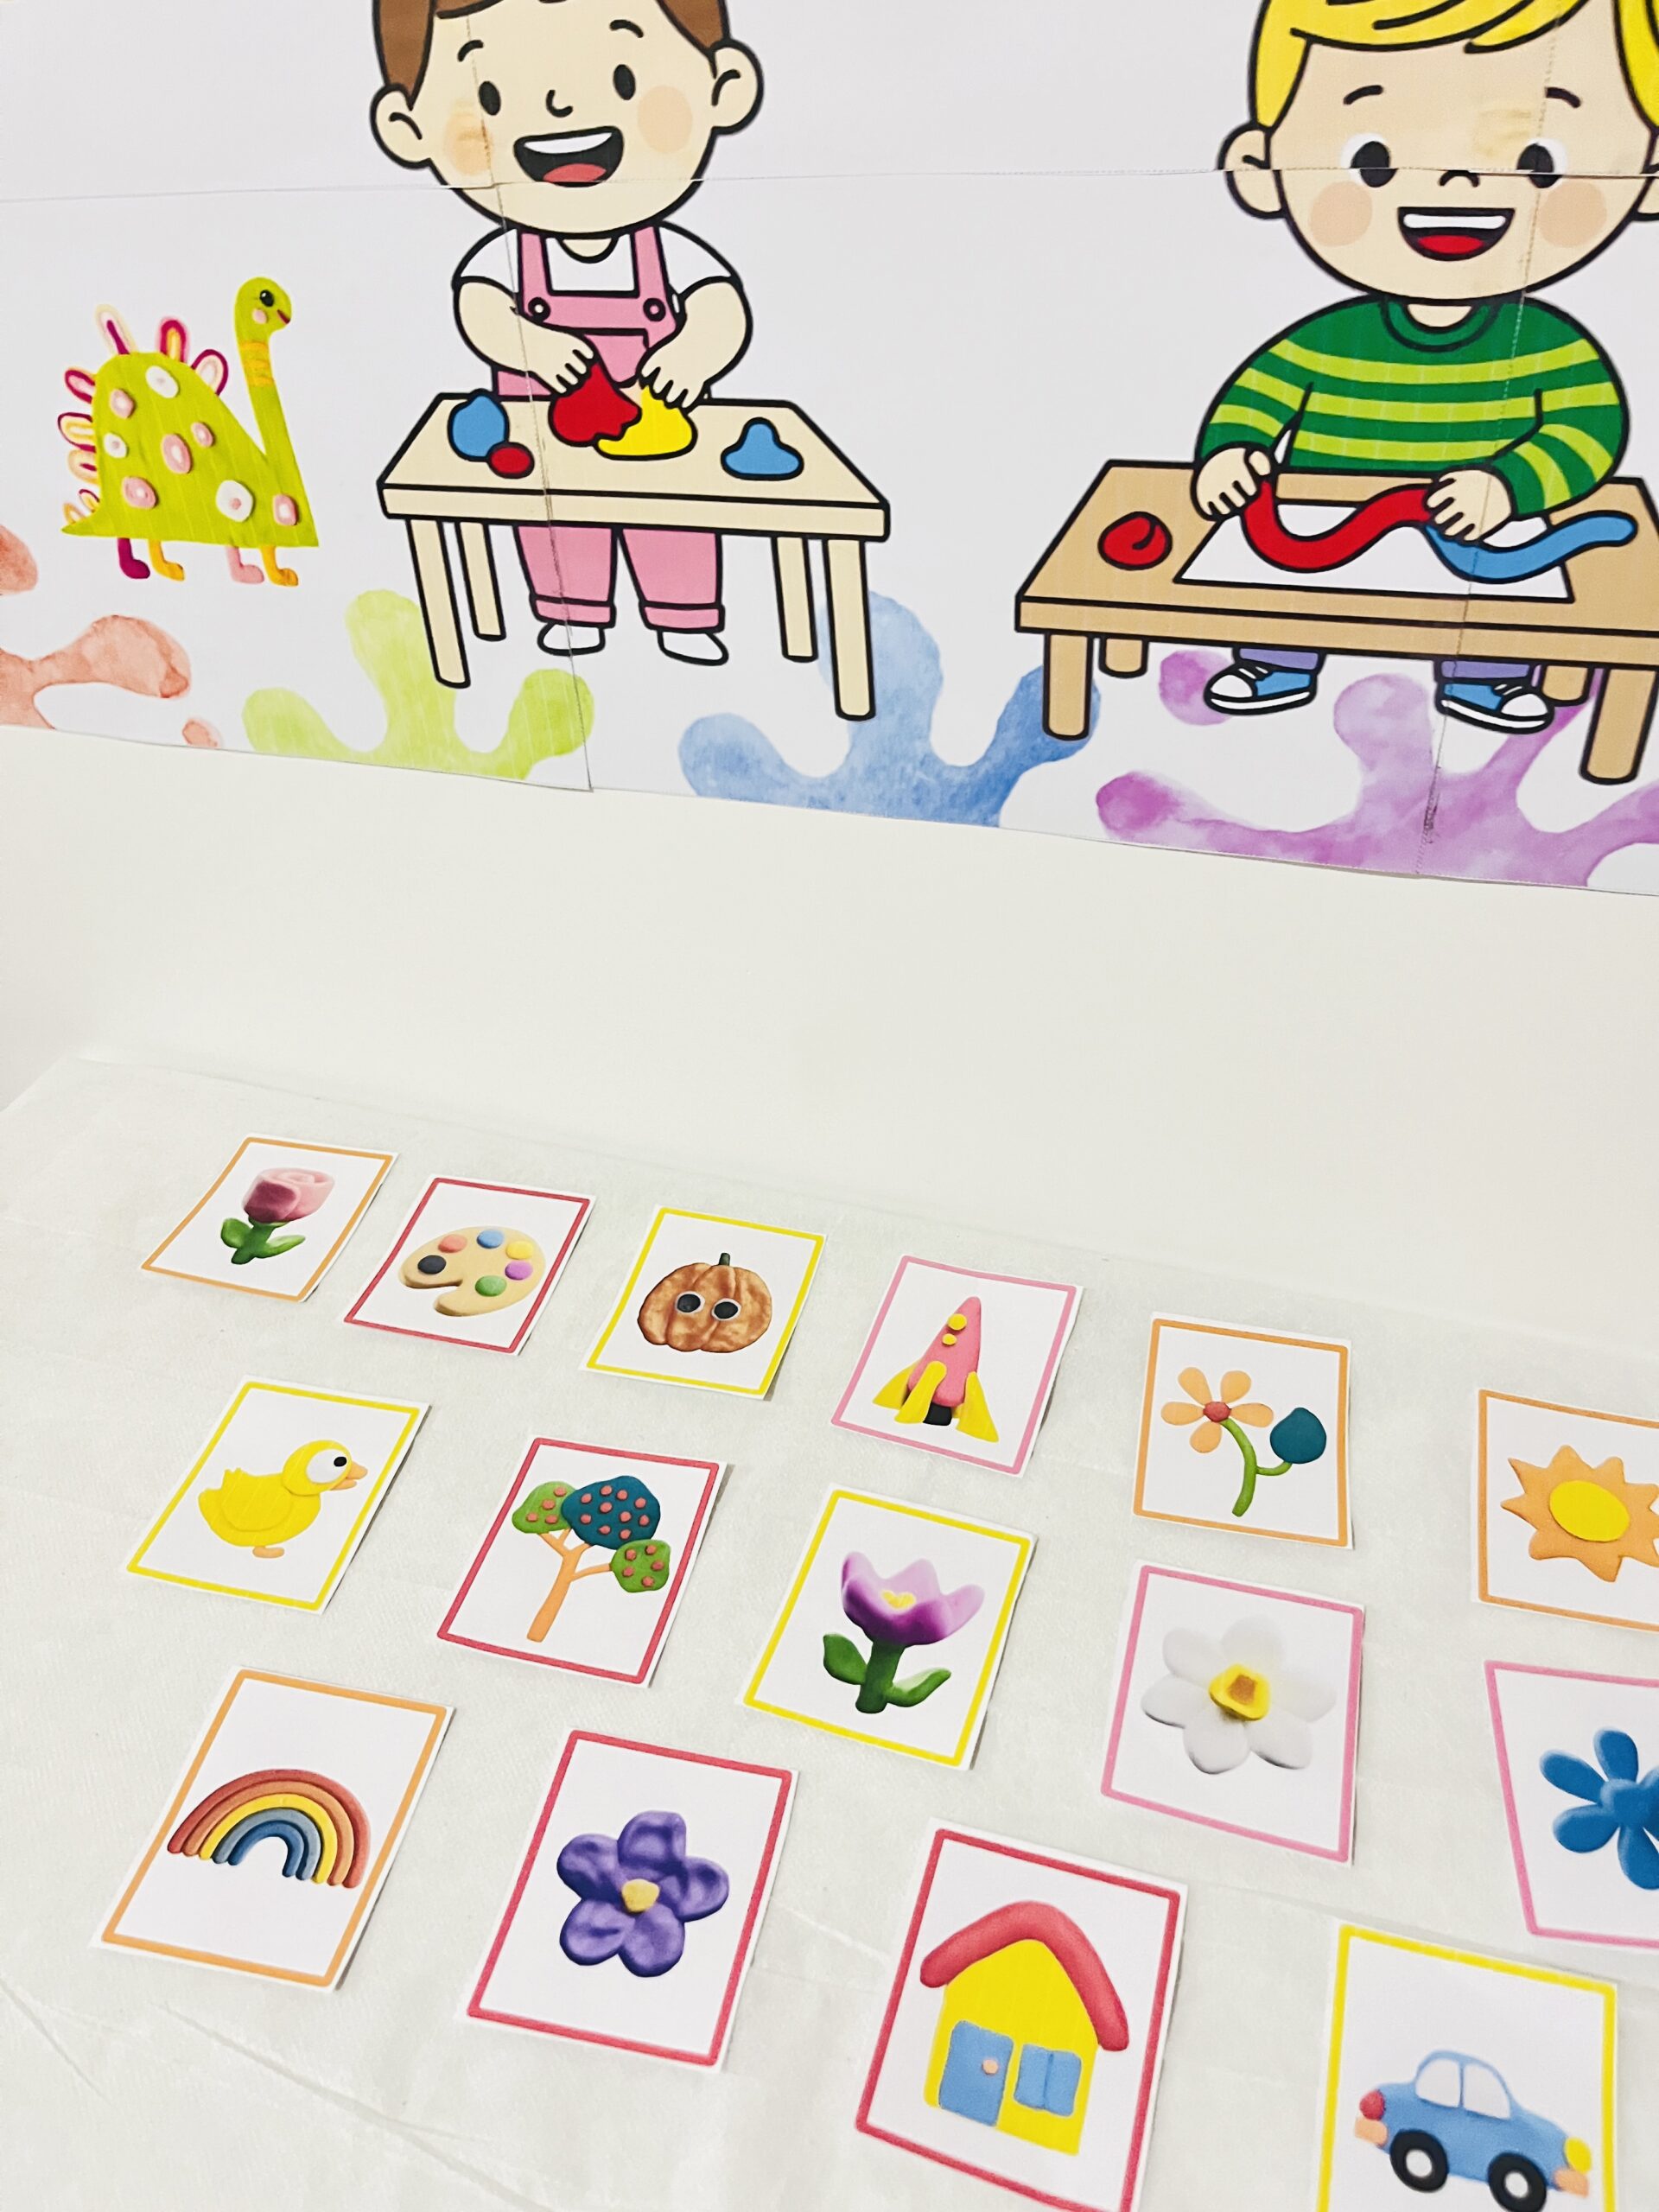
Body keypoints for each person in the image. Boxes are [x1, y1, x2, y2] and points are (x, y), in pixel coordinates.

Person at [1194, 0, 1659, 731]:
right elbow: (1255, 401)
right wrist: (1232, 453)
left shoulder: (1551, 345)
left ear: (1648, 176)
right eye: (1373, 161)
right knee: (1285, 591)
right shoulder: (1326, 339)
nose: (1457, 183)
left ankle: (1485, 677)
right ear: (1261, 169)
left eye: (1538, 162)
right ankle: (1276, 658)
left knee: (1499, 599)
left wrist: (1510, 484)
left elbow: (1587, 429)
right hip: (1321, 514)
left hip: (1480, 519)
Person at [372, 0, 761, 663]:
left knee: (673, 522)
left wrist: (695, 353)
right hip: (542, 440)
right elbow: (480, 309)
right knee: (557, 529)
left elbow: (720, 304)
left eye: (623, 81)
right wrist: (531, 345)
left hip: (662, 440)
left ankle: (684, 615)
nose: (559, 109)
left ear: (724, 88)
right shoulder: (507, 256)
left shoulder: (670, 252)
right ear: (409, 128)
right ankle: (571, 610)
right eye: (490, 96)